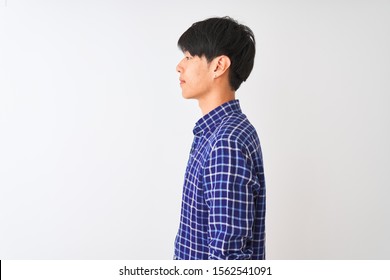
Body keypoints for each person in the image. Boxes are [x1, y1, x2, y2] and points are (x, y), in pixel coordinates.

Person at [174, 16, 266, 260]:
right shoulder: (216, 133)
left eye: (189, 57)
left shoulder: (226, 141)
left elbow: (229, 260)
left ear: (218, 66)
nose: (179, 66)